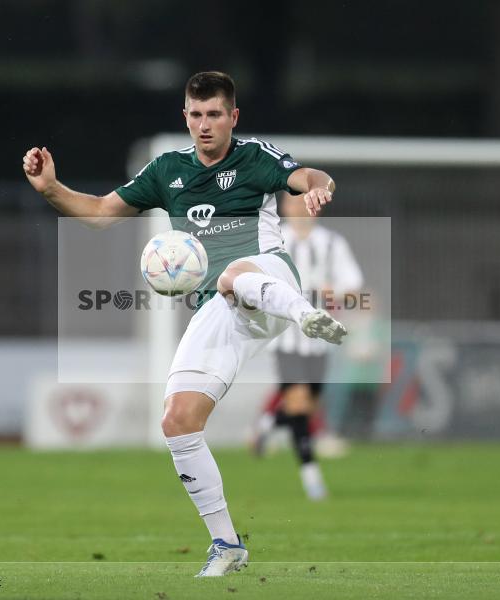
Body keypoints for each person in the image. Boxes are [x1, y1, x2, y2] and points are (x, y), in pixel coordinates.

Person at [22, 71, 346, 577]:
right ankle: (227, 544)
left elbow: (308, 177)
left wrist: (320, 189)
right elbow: (102, 213)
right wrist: (49, 188)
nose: (204, 125)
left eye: (215, 114)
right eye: (195, 115)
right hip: (218, 311)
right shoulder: (166, 170)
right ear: (185, 117)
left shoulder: (253, 157)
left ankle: (305, 313)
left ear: (232, 117)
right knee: (177, 421)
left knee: (234, 274)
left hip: (270, 278)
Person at [252, 192, 364, 500]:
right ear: (284, 207)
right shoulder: (273, 242)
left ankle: (268, 423)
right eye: (293, 203)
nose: (300, 209)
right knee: (300, 405)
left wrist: (337, 293)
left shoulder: (332, 244)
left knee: (306, 407)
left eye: (305, 203)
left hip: (319, 342)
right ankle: (312, 476)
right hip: (286, 337)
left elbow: (353, 285)